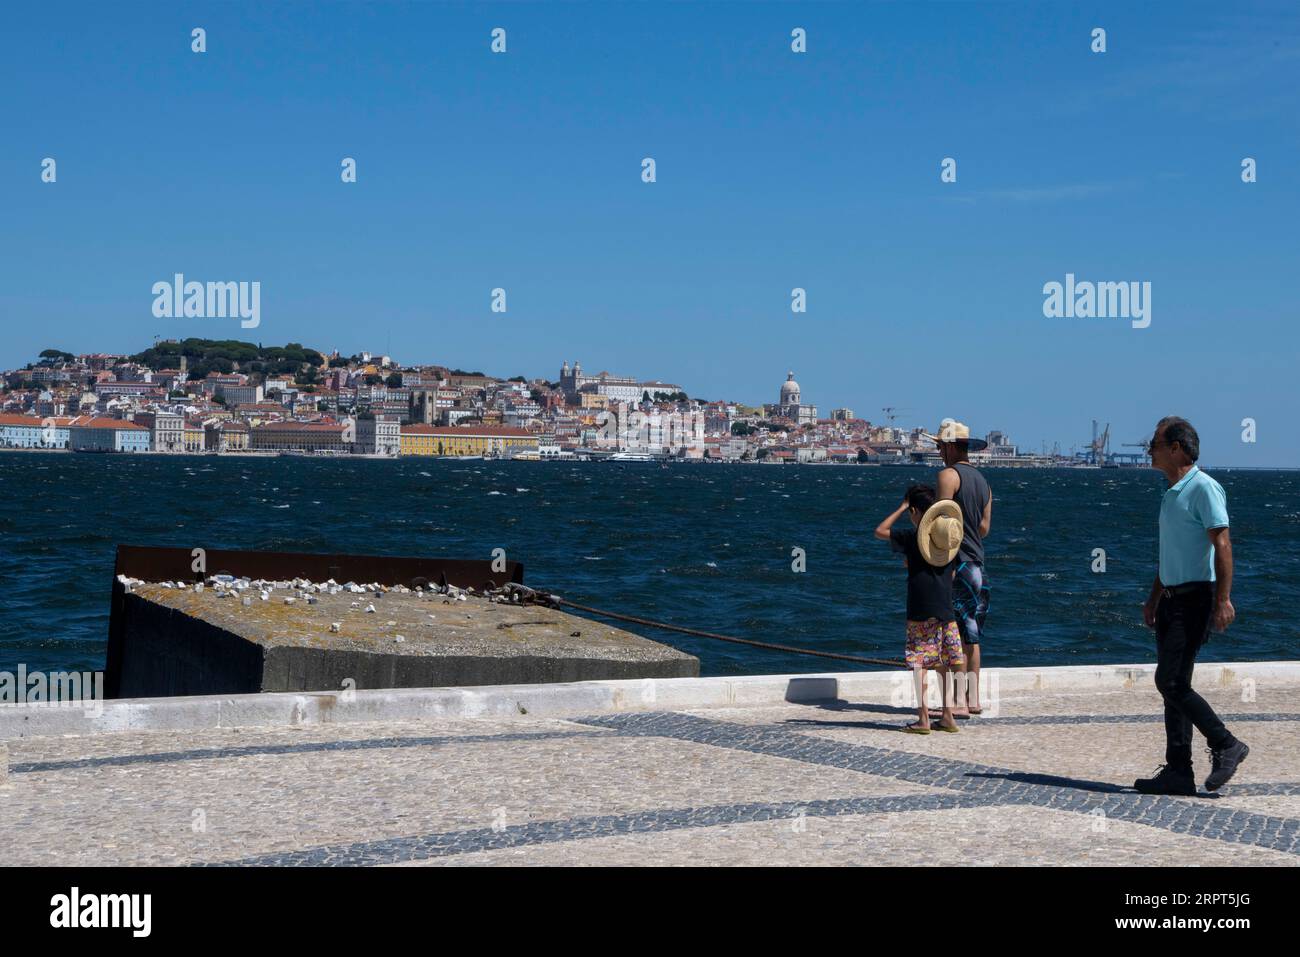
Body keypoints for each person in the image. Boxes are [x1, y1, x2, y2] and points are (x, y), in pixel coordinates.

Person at [1134, 416, 1248, 795]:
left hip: (1195, 599)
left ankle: (1225, 744)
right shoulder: (1172, 493)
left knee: (1169, 681)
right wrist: (1153, 600)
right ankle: (1179, 770)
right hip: (1170, 599)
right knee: (1174, 685)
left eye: (1154, 442)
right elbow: (1171, 556)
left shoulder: (1203, 488)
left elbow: (1223, 544)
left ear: (1175, 448)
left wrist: (1223, 600)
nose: (1148, 448)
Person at [875, 483, 966, 733]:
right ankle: (948, 716)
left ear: (915, 511)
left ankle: (923, 719)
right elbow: (954, 573)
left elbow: (880, 530)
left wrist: (901, 506)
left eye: (909, 511)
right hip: (945, 607)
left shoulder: (913, 538)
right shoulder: (948, 538)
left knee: (920, 664)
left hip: (920, 607)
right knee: (945, 663)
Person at [923, 419, 993, 717]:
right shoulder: (983, 481)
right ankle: (973, 699)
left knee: (951, 634)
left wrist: (939, 563)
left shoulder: (948, 476)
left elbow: (942, 523)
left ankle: (957, 702)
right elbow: (984, 527)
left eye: (940, 446)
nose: (938, 451)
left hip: (956, 563)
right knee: (972, 636)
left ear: (951, 446)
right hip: (978, 565)